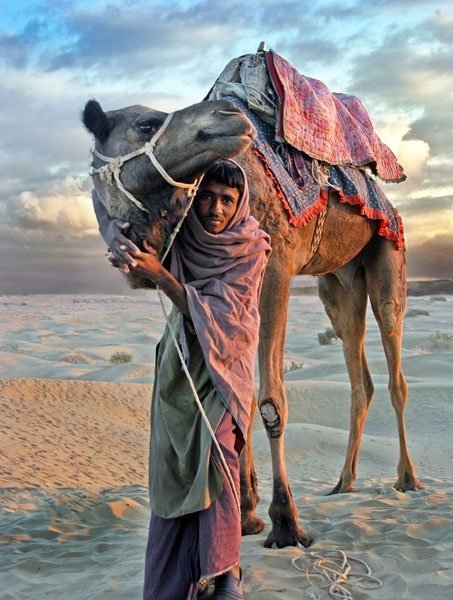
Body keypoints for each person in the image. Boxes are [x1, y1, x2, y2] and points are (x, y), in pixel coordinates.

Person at [93, 159, 271, 599]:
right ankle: (171, 586)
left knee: (220, 457)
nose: (216, 208)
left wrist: (161, 275)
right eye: (207, 196)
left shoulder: (252, 248)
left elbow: (227, 316)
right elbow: (100, 193)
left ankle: (223, 571)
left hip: (227, 369)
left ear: (239, 202)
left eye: (227, 199)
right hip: (182, 366)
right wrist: (112, 236)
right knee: (175, 469)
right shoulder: (181, 236)